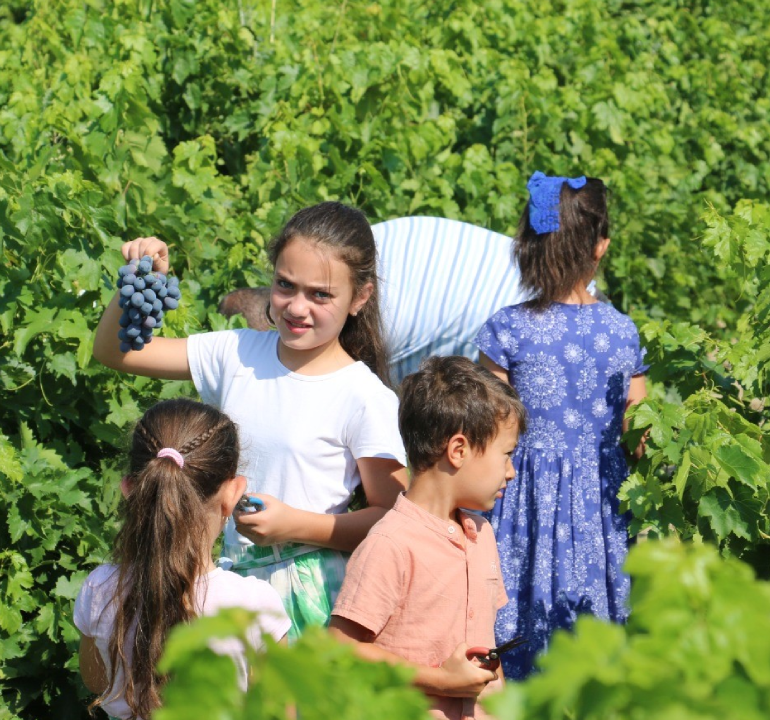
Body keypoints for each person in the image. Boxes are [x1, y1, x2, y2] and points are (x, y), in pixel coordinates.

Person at [92, 201, 409, 637]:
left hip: (307, 596)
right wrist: (140, 279)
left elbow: (396, 518)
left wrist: (297, 525)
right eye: (285, 285)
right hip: (219, 585)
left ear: (360, 298)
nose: (297, 308)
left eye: (320, 294)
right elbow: (115, 352)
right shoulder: (237, 352)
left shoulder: (364, 396)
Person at [476, 172, 648, 679]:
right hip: (603, 508)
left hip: (519, 504)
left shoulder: (506, 328)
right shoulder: (622, 331)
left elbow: (485, 430)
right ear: (601, 247)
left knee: (512, 638)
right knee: (598, 648)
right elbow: (640, 436)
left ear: (526, 247)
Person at [329, 356, 526, 720]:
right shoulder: (391, 543)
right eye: (507, 455)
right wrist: (442, 682)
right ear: (459, 450)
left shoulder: (482, 535)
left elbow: (488, 649)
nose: (511, 472)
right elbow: (341, 649)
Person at [74, 399, 290, 720]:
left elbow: (95, 680)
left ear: (130, 489)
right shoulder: (255, 607)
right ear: (233, 493)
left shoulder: (100, 589)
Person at [220, 216, 599, 384]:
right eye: (285, 287)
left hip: (411, 264)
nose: (296, 308)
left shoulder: (377, 311)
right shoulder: (571, 313)